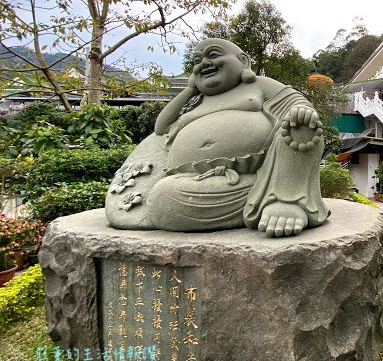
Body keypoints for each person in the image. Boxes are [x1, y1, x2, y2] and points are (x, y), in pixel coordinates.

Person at [106, 38, 329, 237]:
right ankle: (261, 194)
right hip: (209, 182)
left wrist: (301, 113)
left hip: (268, 167)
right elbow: (161, 127)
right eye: (197, 61)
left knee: (303, 128)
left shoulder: (259, 85)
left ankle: (285, 199)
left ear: (243, 61)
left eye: (213, 55)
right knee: (164, 201)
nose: (204, 63)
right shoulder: (196, 101)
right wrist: (190, 90)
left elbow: (299, 105)